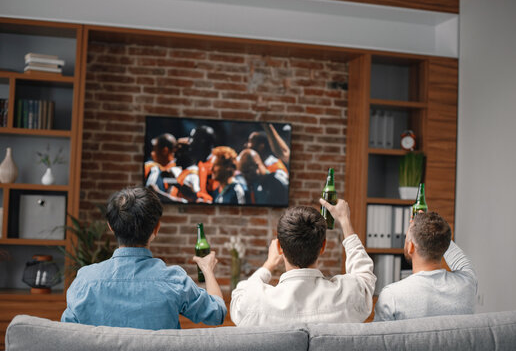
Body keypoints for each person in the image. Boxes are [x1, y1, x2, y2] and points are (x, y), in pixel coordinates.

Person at [61, 186, 227, 329]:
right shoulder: (174, 281)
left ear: (111, 227)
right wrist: (207, 270)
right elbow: (217, 313)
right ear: (156, 228)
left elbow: (67, 334)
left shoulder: (85, 281)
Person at [230, 198, 376, 326]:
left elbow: (242, 293)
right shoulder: (350, 297)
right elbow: (364, 277)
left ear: (280, 247)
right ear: (323, 246)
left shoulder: (251, 304)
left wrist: (269, 265)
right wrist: (344, 220)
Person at [374, 211, 477, 321]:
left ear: (411, 247)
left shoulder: (392, 296)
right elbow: (461, 261)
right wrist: (431, 226)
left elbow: (379, 338)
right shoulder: (467, 284)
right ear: (445, 245)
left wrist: (422, 224)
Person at [144, 133, 182, 198]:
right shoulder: (150, 166)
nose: (152, 153)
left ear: (165, 151)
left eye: (155, 149)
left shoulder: (179, 171)